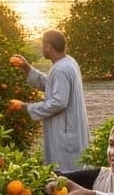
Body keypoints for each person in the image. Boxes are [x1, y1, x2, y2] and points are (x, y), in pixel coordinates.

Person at [10, 30, 89, 171]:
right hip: (70, 128)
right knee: (72, 170)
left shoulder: (60, 69)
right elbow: (52, 85)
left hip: (65, 132)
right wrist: (26, 68)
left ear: (48, 47)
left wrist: (26, 107)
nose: (42, 49)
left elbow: (59, 102)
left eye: (43, 45)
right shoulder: (68, 62)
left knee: (65, 174)